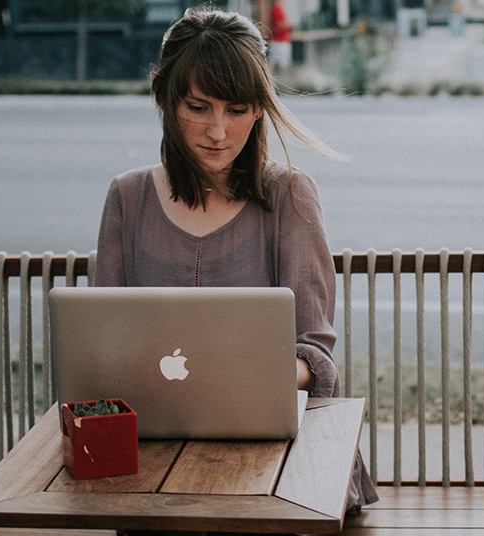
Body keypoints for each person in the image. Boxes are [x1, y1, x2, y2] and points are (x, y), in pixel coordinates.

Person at [94, 7, 378, 515]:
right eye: (198, 107)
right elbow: (100, 347)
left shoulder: (289, 194)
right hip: (151, 463)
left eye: (237, 109)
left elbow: (315, 355)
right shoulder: (126, 198)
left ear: (259, 109)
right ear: (163, 98)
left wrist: (225, 375)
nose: (218, 132)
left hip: (278, 467)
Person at [268, 0, 293, 72]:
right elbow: (277, 25)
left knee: (274, 61)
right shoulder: (276, 8)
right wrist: (289, 24)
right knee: (276, 63)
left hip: (282, 40)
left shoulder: (280, 8)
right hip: (278, 40)